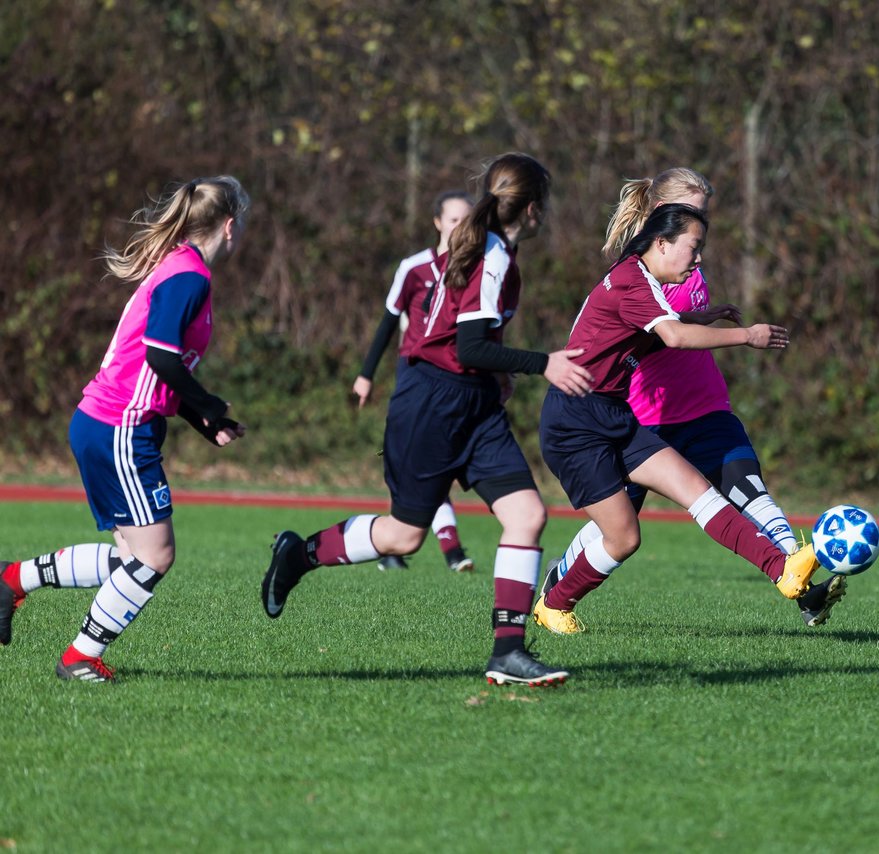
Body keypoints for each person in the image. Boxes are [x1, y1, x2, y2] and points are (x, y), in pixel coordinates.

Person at [260, 153, 593, 686]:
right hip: (431, 407)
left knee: (527, 515)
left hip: (474, 405)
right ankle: (298, 555)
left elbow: (470, 344)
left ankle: (507, 653)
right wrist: (542, 364)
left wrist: (498, 374)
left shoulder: (487, 248)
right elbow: (468, 345)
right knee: (402, 537)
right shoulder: (493, 257)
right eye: (545, 205)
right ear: (532, 210)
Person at [541, 168, 846, 627]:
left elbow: (654, 329)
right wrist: (746, 335)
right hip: (577, 423)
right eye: (693, 244)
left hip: (615, 415)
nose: (699, 258)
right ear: (661, 240)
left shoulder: (644, 277)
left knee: (702, 493)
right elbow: (673, 338)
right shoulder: (633, 282)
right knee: (622, 537)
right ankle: (554, 602)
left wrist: (699, 314)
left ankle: (783, 569)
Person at [0, 176, 251, 682]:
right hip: (119, 427)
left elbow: (152, 365)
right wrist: (206, 400)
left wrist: (202, 419)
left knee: (130, 560)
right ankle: (79, 659)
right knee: (155, 557)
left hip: (103, 422)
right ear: (228, 227)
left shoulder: (177, 267)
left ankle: (13, 580)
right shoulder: (189, 276)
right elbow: (160, 357)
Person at [353, 189, 476, 574]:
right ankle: (448, 550)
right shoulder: (415, 267)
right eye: (454, 219)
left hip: (460, 382)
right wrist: (366, 375)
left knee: (431, 464)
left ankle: (400, 546)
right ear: (438, 223)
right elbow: (389, 321)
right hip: (418, 379)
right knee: (421, 462)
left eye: (468, 219)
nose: (461, 227)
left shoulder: (480, 269)